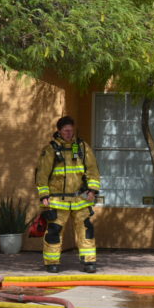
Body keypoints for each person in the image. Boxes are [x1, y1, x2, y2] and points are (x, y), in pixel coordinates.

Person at [35, 115, 101, 273]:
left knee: (86, 230)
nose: (69, 133)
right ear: (59, 131)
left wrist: (92, 190)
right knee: (54, 231)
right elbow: (42, 175)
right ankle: (52, 263)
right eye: (66, 131)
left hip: (80, 198)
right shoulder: (51, 149)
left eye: (71, 130)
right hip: (58, 200)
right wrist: (44, 196)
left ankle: (89, 262)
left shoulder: (81, 147)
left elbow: (92, 170)